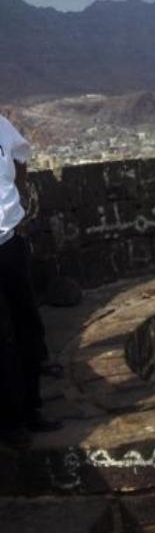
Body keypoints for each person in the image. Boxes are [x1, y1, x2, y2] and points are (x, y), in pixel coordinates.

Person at [0, 113, 60, 450]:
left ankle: (33, 408)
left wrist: (18, 201)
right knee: (2, 338)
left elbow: (21, 157)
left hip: (9, 242)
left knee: (28, 326)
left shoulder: (1, 126)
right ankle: (11, 422)